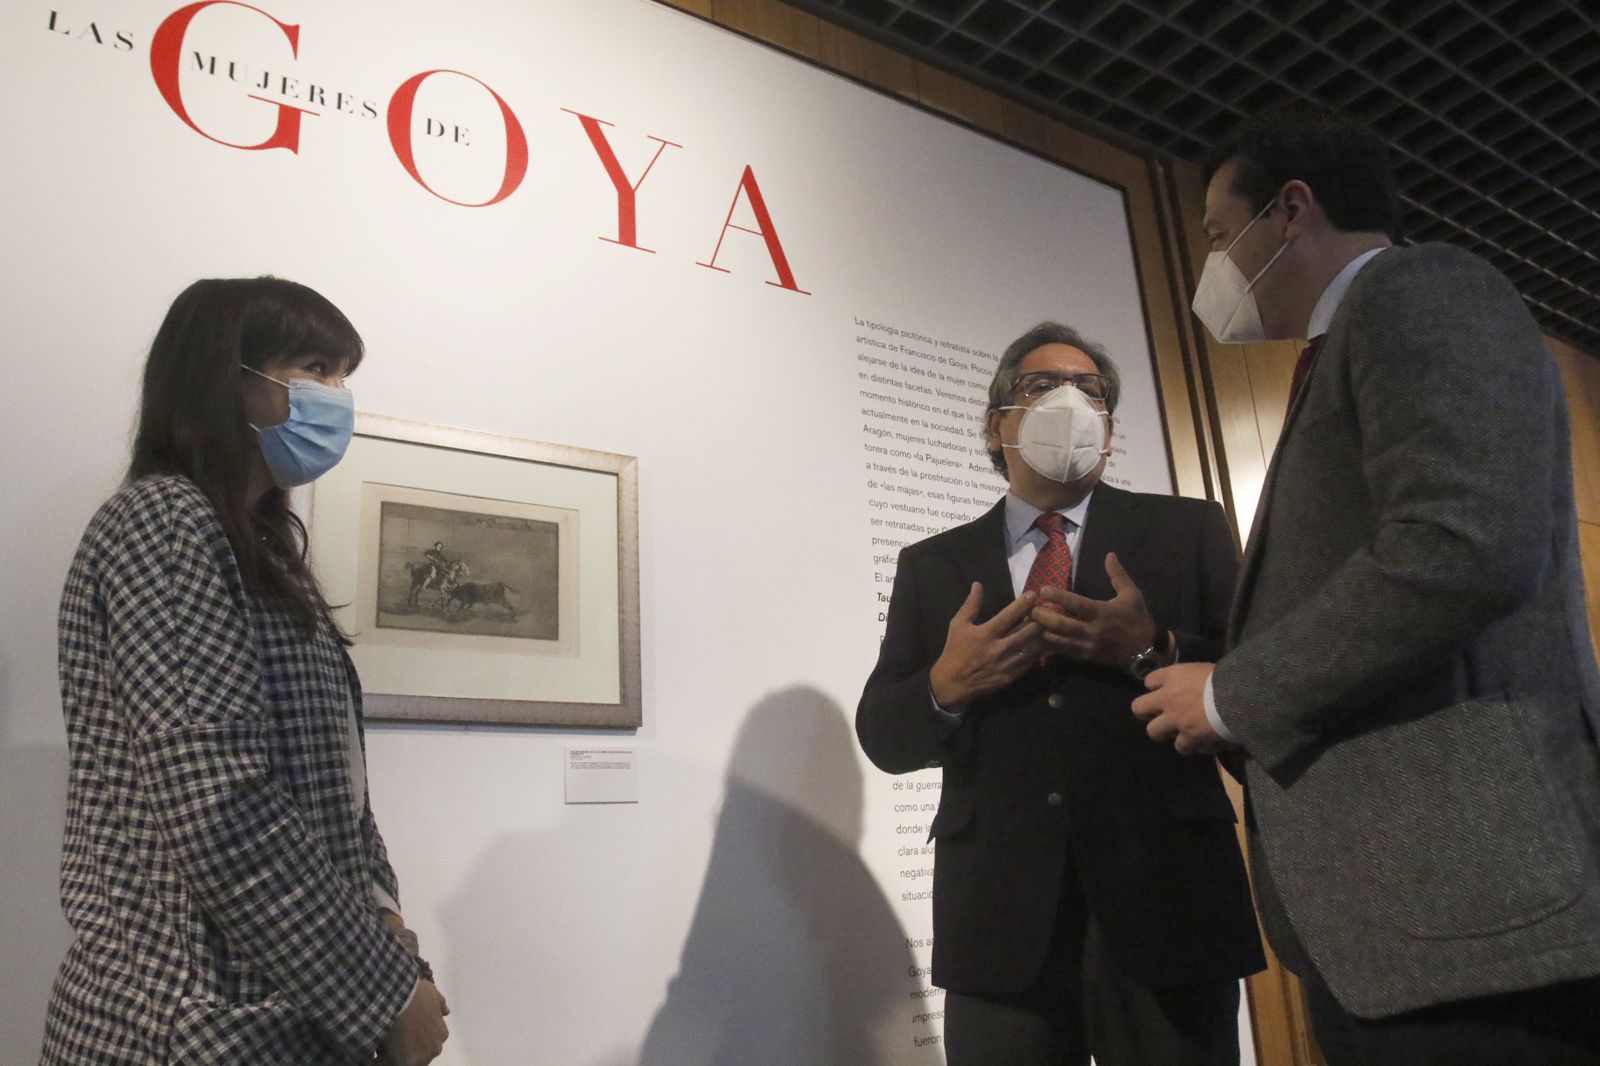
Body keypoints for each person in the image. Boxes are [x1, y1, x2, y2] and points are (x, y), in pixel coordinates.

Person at [1132, 103, 1600, 1065]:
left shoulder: (1422, 291)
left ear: (1290, 210)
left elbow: (1460, 546)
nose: (1213, 265)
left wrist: (1227, 693)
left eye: (1221, 234)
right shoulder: (1342, 351)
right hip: (1410, 925)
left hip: (1472, 912)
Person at [41, 278, 450, 1065]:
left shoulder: (256, 550)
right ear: (226, 378)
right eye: (315, 366)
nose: (337, 396)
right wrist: (383, 993)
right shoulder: (165, 520)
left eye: (343, 374)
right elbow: (218, 800)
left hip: (262, 1012)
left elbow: (333, 787)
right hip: (182, 1023)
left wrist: (383, 915)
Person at [857, 322, 1264, 1066]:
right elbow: (884, 733)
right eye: (1041, 386)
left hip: (1169, 901)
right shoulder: (934, 565)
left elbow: (1261, 691)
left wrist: (1152, 649)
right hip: (999, 921)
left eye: (1092, 390)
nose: (1070, 400)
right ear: (995, 423)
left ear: (1109, 427)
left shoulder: (1188, 530)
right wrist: (948, 685)